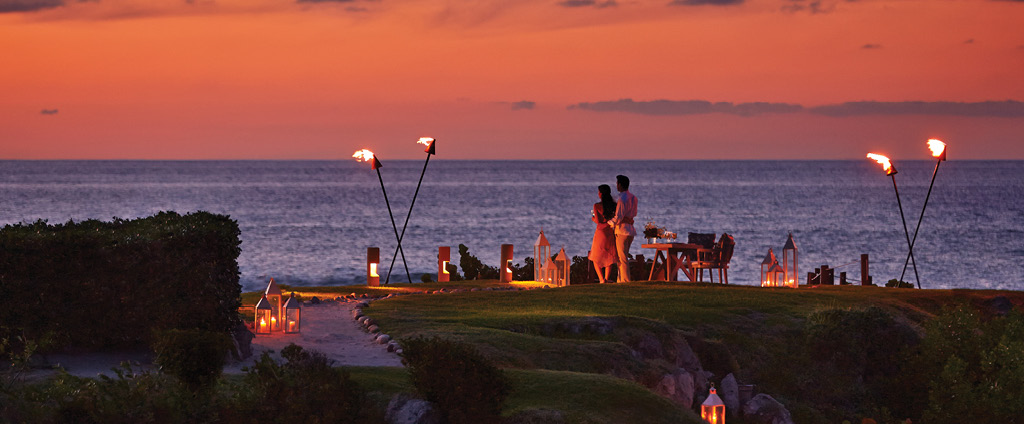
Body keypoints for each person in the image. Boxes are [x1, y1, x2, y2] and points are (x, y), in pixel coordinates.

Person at [609, 175, 637, 282]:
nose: (616, 185)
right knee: (623, 256)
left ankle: (625, 280)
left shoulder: (622, 199)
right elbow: (634, 213)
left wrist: (609, 223)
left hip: (622, 231)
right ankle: (620, 279)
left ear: (620, 185)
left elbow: (619, 217)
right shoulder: (633, 198)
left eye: (617, 183)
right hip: (630, 230)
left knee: (622, 257)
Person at [588, 184, 617, 283]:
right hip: (609, 231)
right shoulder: (614, 205)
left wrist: (593, 219)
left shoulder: (597, 206)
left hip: (600, 232)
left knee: (595, 256)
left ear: (601, 193)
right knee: (609, 255)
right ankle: (606, 278)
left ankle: (601, 279)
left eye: (599, 192)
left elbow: (599, 221)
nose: (598, 194)